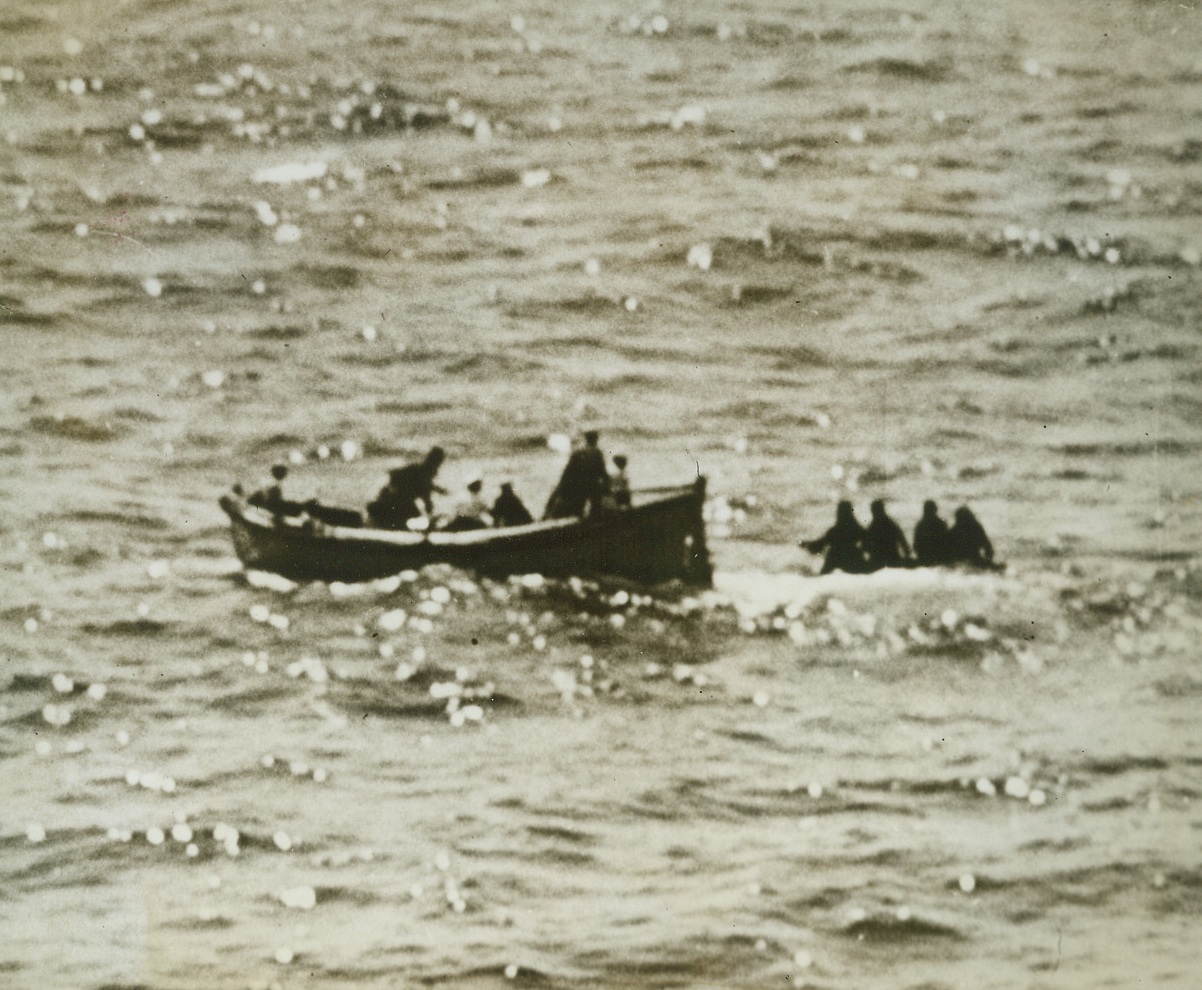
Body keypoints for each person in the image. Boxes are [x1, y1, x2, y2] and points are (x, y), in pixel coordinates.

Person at [367, 446, 447, 530]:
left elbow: (424, 486)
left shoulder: (419, 470)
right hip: (395, 503)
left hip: (394, 500)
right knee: (411, 512)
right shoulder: (422, 472)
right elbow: (425, 493)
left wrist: (437, 490)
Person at [544, 429, 609, 519]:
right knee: (595, 506)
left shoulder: (578, 452)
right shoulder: (597, 453)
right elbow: (602, 472)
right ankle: (595, 520)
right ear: (596, 439)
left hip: (579, 484)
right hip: (591, 484)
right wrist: (607, 485)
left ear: (586, 439)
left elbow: (568, 471)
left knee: (578, 507)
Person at [800, 501, 870, 574]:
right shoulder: (857, 528)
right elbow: (868, 543)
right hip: (854, 558)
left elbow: (819, 545)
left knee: (823, 576)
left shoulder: (834, 531)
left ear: (839, 513)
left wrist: (805, 544)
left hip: (835, 558)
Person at [864, 498, 912, 570]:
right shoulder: (890, 524)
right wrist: (907, 554)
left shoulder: (872, 526)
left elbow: (865, 546)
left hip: (877, 560)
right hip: (892, 558)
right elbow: (902, 540)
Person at [913, 500, 951, 567]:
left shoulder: (921, 525)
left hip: (924, 559)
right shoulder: (941, 524)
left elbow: (916, 546)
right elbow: (948, 544)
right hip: (939, 559)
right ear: (935, 510)